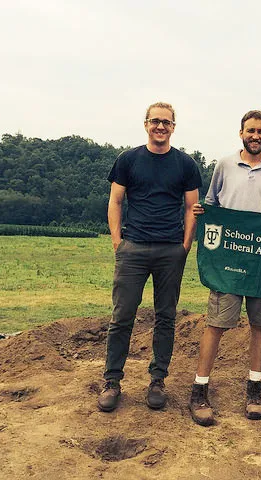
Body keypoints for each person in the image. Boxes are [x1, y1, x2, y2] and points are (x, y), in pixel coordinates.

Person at [98, 102, 202, 412]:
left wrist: (184, 246)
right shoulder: (128, 160)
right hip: (134, 248)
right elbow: (116, 202)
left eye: (166, 122)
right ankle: (112, 381)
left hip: (170, 250)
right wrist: (119, 242)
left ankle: (158, 380)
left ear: (173, 127)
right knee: (121, 317)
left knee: (166, 317)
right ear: (146, 124)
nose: (160, 126)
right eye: (155, 121)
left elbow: (191, 209)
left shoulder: (186, 164)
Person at [188, 110, 261, 426]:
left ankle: (254, 389)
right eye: (250, 130)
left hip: (259, 261)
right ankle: (200, 388)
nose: (255, 135)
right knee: (216, 323)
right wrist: (201, 211)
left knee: (259, 325)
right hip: (227, 261)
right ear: (241, 133)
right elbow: (212, 205)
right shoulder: (224, 165)